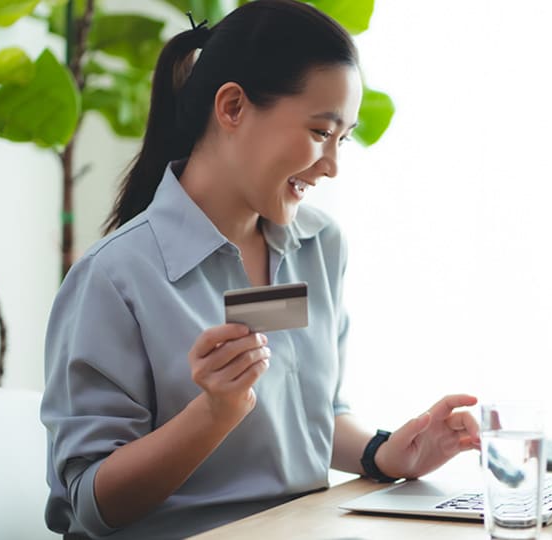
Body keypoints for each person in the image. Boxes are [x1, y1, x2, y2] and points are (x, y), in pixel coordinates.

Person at [41, 1, 479, 538]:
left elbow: (310, 413)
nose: (333, 165)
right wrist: (215, 412)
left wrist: (385, 453)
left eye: (343, 140)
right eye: (321, 132)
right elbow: (92, 503)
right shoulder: (113, 278)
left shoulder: (320, 244)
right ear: (232, 108)